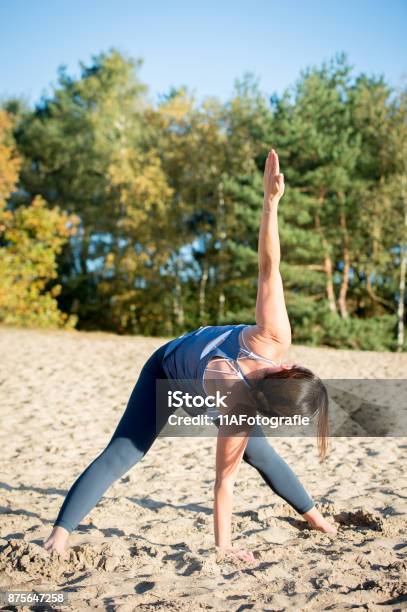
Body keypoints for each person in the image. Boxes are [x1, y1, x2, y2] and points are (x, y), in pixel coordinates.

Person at [44, 149, 336, 564]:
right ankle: (60, 533)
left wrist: (271, 203)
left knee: (260, 453)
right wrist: (223, 547)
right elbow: (223, 483)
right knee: (125, 451)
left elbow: (270, 267)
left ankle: (317, 519)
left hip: (209, 379)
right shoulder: (257, 367)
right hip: (165, 370)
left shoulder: (265, 358)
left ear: (289, 371)